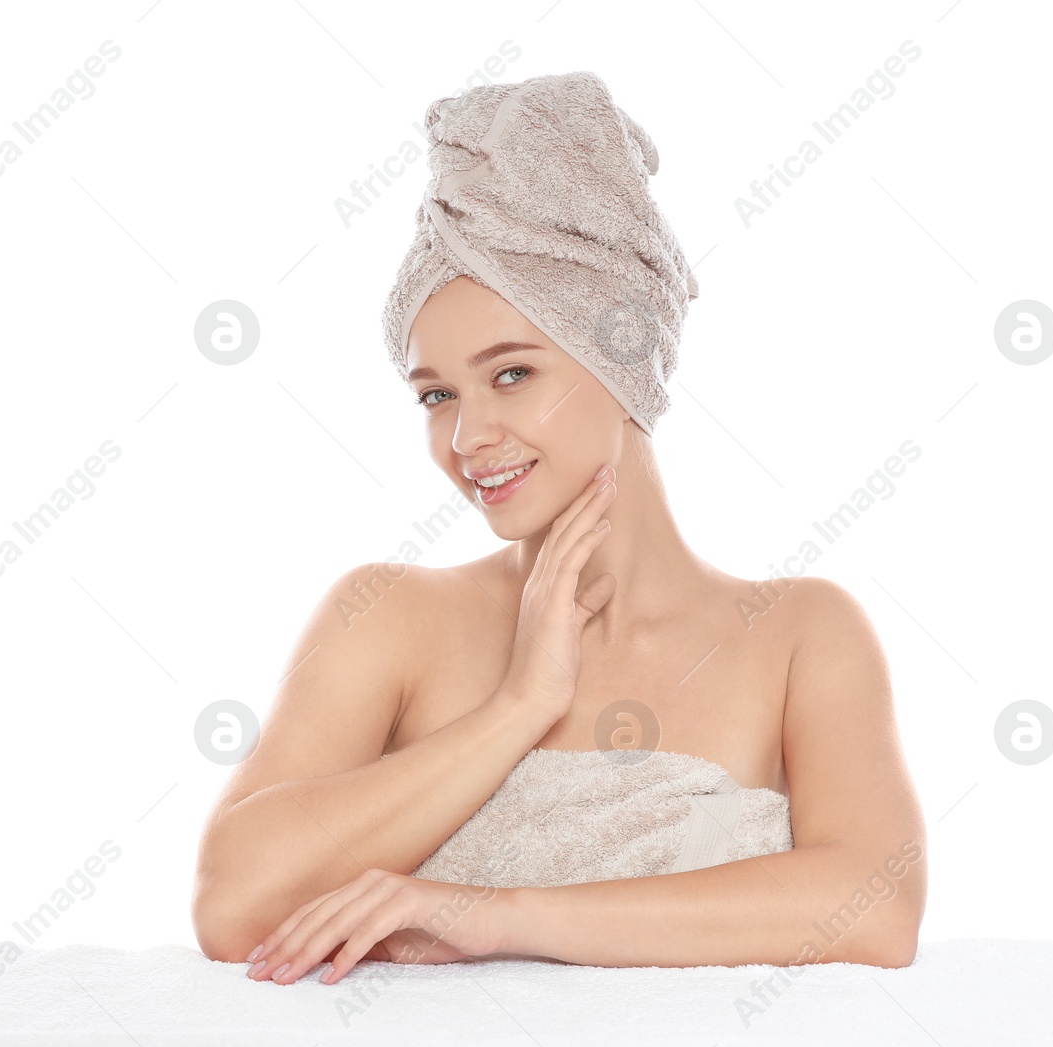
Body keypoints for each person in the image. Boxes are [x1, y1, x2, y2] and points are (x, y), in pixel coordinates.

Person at [193, 71, 925, 985]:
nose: (466, 438)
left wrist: (491, 918)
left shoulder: (800, 634)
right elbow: (233, 906)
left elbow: (876, 907)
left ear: (620, 357)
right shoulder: (387, 616)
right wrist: (518, 707)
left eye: (511, 375)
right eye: (436, 395)